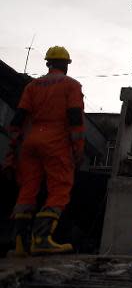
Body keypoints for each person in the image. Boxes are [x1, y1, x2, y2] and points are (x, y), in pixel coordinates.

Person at [4, 46, 84, 256]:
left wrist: (12, 151)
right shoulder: (71, 85)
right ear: (66, 65)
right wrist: (78, 149)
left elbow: (18, 118)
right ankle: (41, 239)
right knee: (60, 188)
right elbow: (75, 118)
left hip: (30, 141)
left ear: (48, 63)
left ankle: (20, 245)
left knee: (27, 191)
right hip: (55, 141)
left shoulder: (32, 86)